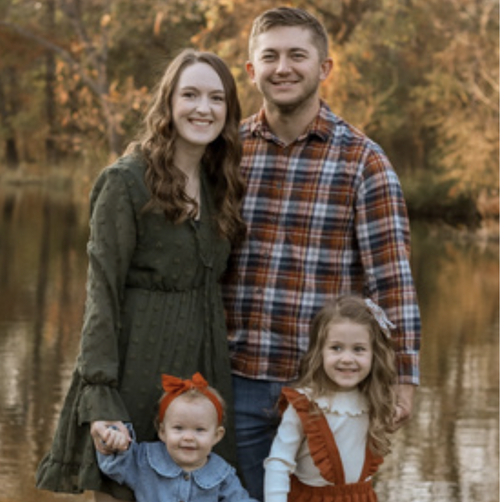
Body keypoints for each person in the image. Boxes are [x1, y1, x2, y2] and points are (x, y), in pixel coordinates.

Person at [221, 7, 421, 500]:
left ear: (324, 67)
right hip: (238, 381)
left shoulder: (364, 161)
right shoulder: (226, 153)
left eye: (297, 55)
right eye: (270, 56)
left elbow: (391, 281)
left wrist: (404, 378)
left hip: (328, 391)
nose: (283, 68)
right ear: (251, 69)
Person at [36, 48, 246, 502]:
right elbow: (102, 295)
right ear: (168, 102)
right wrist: (101, 397)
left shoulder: (220, 185)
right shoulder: (126, 182)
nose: (203, 108)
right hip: (136, 368)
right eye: (190, 95)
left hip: (201, 378)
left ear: (229, 111)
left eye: (216, 98)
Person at [264, 295, 397, 502]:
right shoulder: (305, 403)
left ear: (374, 354)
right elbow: (279, 462)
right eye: (336, 348)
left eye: (359, 349)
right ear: (320, 352)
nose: (347, 359)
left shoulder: (375, 400)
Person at [97, 373, 258, 502]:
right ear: (162, 432)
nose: (188, 437)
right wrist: (114, 440)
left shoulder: (222, 474)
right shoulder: (146, 459)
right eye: (179, 428)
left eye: (200, 430)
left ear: (217, 435)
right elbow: (115, 467)